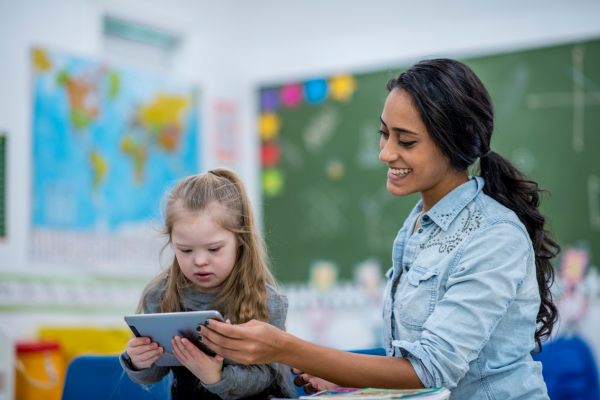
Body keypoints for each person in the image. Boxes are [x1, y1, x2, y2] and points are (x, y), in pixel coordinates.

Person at [200, 59, 560, 400]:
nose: (385, 153)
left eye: (405, 141)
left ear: (454, 143)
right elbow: (412, 363)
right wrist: (346, 378)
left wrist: (284, 346)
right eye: (384, 134)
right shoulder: (417, 224)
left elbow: (430, 371)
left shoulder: (493, 235)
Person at [119, 168, 292, 400]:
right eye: (186, 250)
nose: (199, 261)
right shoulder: (159, 295)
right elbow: (153, 372)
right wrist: (138, 361)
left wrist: (215, 376)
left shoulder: (266, 299)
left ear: (240, 239)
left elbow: (264, 375)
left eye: (213, 249)